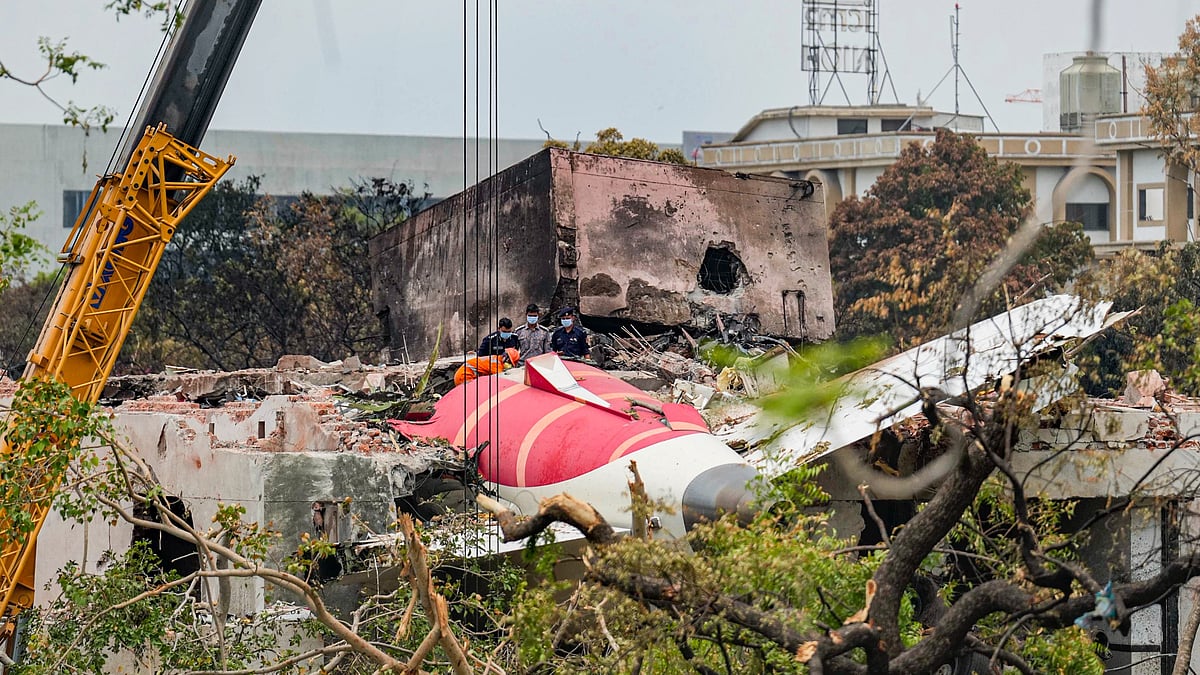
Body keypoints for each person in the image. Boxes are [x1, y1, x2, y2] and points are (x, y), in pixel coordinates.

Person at [454, 347, 520, 385]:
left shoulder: (496, 359)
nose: (509, 365)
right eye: (510, 363)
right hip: (464, 376)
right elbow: (501, 380)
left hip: (465, 375)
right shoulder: (496, 364)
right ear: (506, 358)